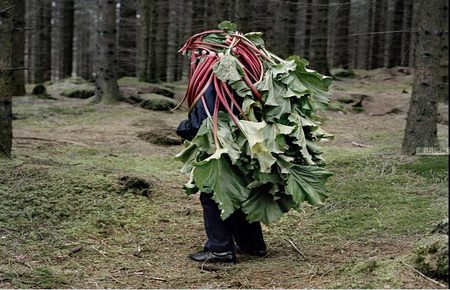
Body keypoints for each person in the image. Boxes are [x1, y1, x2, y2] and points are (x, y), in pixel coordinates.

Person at [176, 84, 267, 264]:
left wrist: (184, 128)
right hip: (249, 146)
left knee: (212, 195)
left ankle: (220, 250)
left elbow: (203, 122)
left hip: (223, 146)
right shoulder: (249, 79)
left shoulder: (213, 85)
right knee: (240, 191)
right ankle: (253, 245)